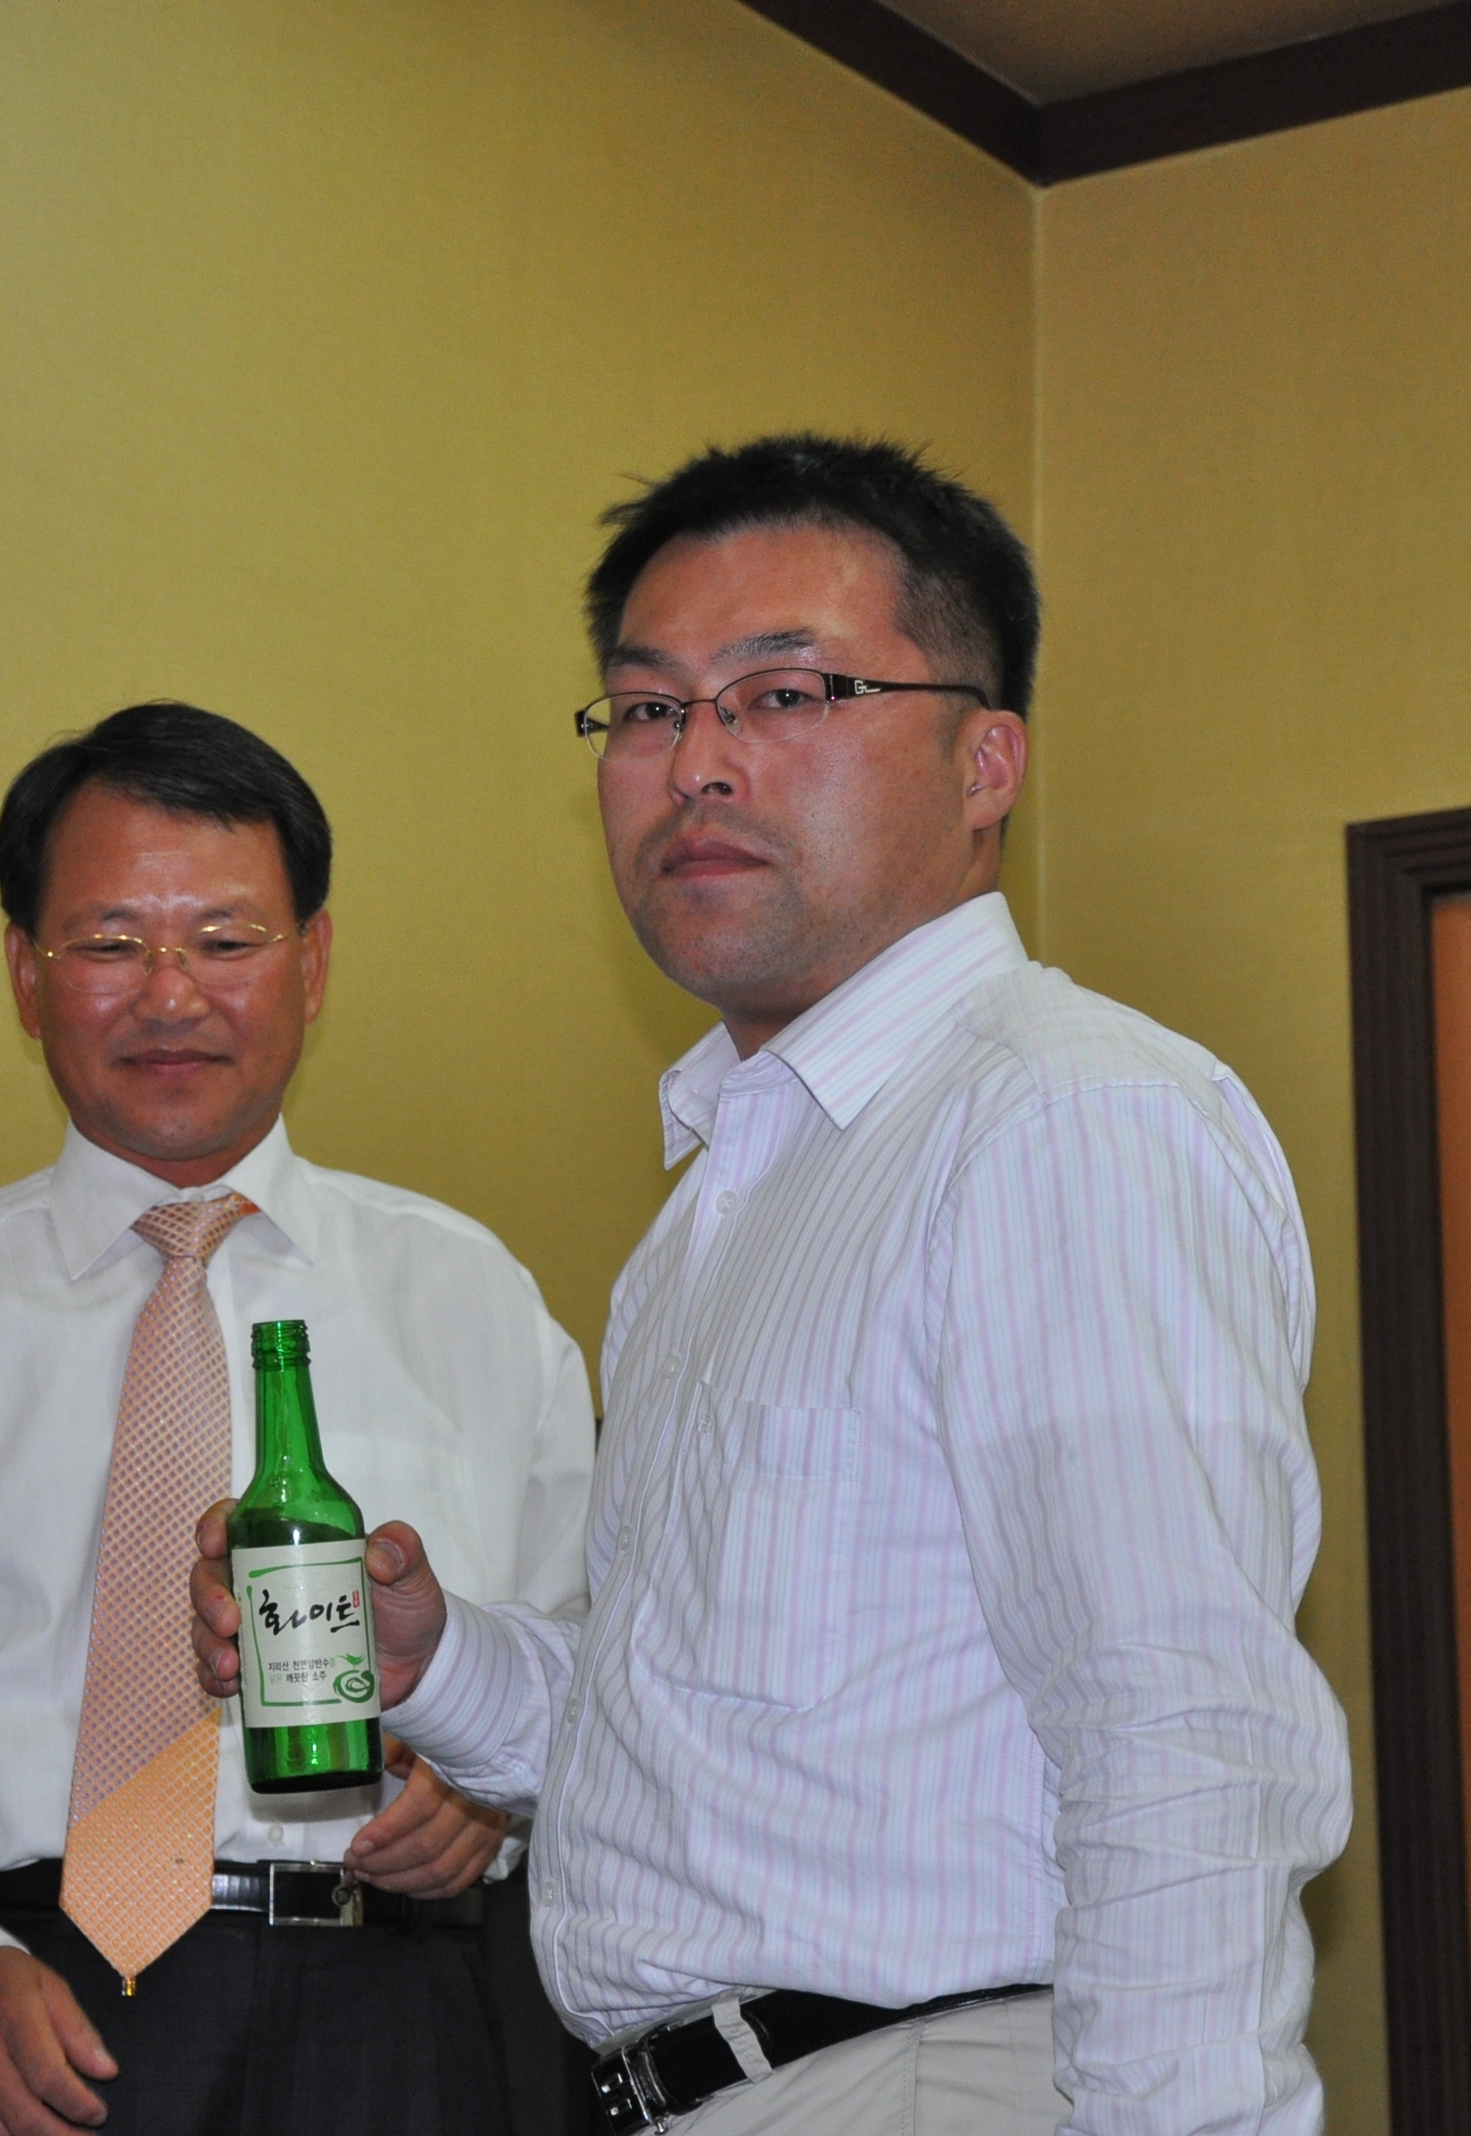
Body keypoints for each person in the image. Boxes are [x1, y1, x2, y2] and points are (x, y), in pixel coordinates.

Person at [195, 436, 1351, 2135]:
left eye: (788, 693)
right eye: (646, 710)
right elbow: (704, 1758)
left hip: (953, 2081)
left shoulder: (1058, 1117)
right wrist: (429, 1659)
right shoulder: (721, 1214)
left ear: (987, 762)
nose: (699, 765)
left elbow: (1181, 1736)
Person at [0, 703, 592, 2136]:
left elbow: (596, 1682)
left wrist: (493, 1801)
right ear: (26, 975)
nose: (171, 994)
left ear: (314, 962)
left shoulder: (476, 1301)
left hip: (388, 2018)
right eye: (111, 943)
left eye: (227, 940)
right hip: (16, 2008)